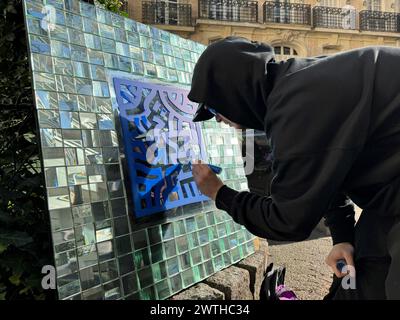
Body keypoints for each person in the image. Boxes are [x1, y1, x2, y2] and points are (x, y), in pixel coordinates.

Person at [187, 36, 400, 300]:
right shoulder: (296, 85)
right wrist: (343, 238)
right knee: (355, 281)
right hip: (389, 197)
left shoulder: (293, 110)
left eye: (212, 107)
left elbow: (288, 221)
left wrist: (219, 193)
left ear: (233, 92)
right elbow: (329, 170)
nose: (217, 119)